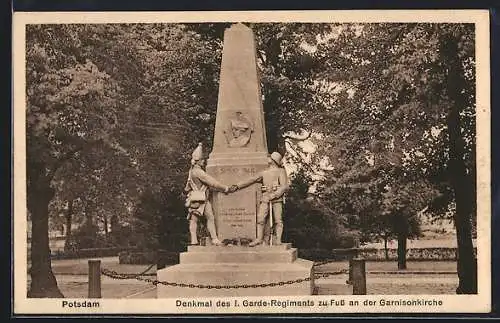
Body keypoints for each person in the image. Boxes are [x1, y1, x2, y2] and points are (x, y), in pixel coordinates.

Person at [184, 143, 237, 246]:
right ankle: (213, 239)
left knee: (194, 220)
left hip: (193, 197)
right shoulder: (199, 172)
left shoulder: (191, 171)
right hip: (201, 199)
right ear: (198, 161)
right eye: (202, 160)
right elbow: (212, 182)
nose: (204, 161)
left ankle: (194, 240)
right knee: (209, 218)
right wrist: (225, 188)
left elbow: (187, 187)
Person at [234, 152, 289, 246]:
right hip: (265, 198)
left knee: (278, 220)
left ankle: (278, 240)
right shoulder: (264, 173)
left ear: (273, 160)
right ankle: (259, 239)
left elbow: (284, 186)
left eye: (269, 157)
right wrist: (238, 186)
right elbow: (251, 179)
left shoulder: (280, 171)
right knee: (260, 218)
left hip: (277, 199)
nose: (268, 158)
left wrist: (275, 194)